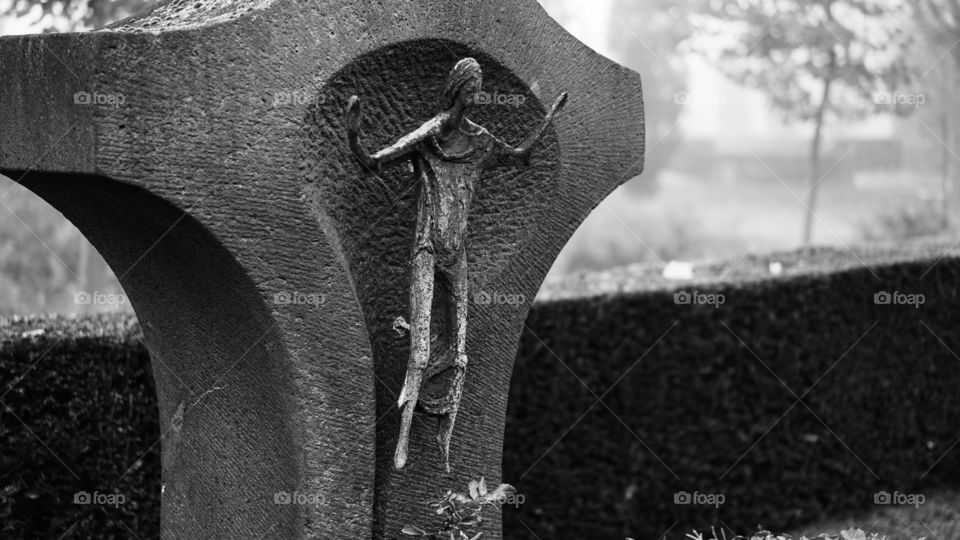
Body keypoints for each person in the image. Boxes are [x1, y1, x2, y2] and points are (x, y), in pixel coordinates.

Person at [346, 57, 567, 471]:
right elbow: (375, 160)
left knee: (461, 351)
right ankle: (405, 435)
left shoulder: (482, 142)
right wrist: (355, 136)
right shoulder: (431, 134)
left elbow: (519, 155)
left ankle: (445, 443)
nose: (476, 92)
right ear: (457, 87)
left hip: (457, 252)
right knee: (421, 347)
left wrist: (549, 119)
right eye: (471, 84)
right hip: (427, 248)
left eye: (480, 85)